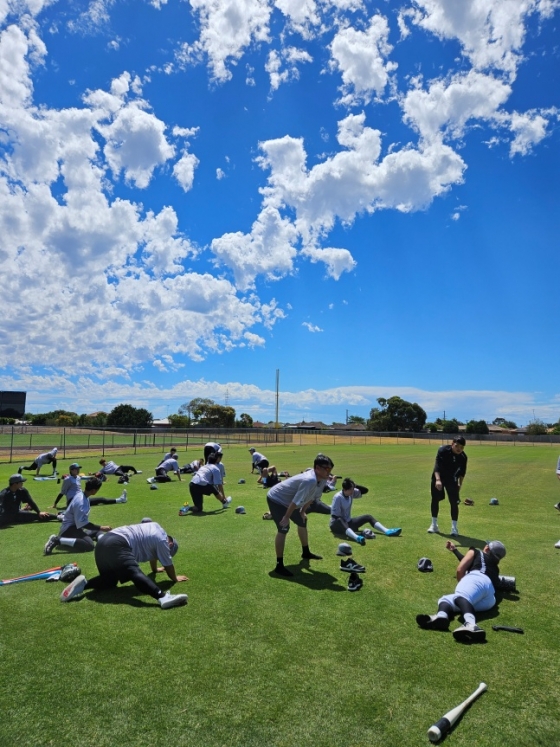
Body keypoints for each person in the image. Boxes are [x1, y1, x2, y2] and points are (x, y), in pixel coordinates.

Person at [59, 521, 188, 609]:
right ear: (169, 545)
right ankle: (162, 597)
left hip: (103, 544)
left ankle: (83, 585)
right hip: (117, 544)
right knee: (134, 572)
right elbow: (168, 565)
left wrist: (154, 569)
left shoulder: (156, 528)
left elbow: (154, 555)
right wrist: (175, 578)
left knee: (110, 581)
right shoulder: (162, 542)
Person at [416, 540, 507, 643]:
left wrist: (463, 584)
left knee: (460, 597)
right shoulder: (495, 568)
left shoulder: (476, 551)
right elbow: (468, 561)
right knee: (446, 599)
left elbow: (461, 569)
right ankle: (441, 617)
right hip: (489, 600)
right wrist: (455, 550)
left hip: (476, 579)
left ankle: (471, 625)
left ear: (486, 548)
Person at [266, 453, 334, 577]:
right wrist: (286, 517)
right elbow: (295, 501)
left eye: (330, 469)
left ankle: (306, 552)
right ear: (317, 468)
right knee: (283, 528)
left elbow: (312, 497)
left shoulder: (322, 479)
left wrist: (302, 511)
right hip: (277, 499)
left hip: (289, 501)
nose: (329, 472)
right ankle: (279, 565)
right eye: (327, 469)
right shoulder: (309, 480)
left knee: (302, 521)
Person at [43, 477, 112, 555]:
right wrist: (101, 527)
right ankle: (57, 540)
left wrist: (100, 528)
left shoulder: (82, 495)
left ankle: (102, 543)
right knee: (89, 545)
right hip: (68, 530)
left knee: (96, 530)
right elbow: (82, 524)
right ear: (93, 490)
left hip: (75, 528)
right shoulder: (81, 502)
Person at [329, 478, 402, 543]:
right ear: (345, 489)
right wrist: (347, 525)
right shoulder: (338, 497)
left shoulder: (350, 493)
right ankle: (357, 538)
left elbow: (365, 491)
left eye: (353, 489)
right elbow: (335, 517)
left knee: (368, 517)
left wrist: (355, 485)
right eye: (350, 489)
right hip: (336, 526)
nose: (352, 491)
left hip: (348, 523)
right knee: (339, 519)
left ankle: (387, 531)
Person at [428, 436, 468, 536]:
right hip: (439, 477)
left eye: (462, 447)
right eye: (457, 446)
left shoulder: (463, 457)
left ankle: (454, 529)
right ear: (452, 443)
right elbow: (437, 465)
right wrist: (437, 480)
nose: (459, 449)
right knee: (435, 499)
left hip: (452, 479)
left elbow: (462, 472)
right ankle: (434, 525)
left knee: (454, 503)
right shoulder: (443, 450)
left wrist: (460, 484)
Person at [53, 463, 128, 510]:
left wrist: (94, 477)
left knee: (101, 499)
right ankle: (121, 499)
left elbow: (86, 477)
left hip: (81, 498)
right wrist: (55, 504)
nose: (78, 470)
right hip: (73, 501)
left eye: (78, 469)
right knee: (100, 500)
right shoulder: (67, 479)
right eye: (76, 469)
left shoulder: (78, 477)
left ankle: (120, 499)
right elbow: (62, 492)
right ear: (71, 470)